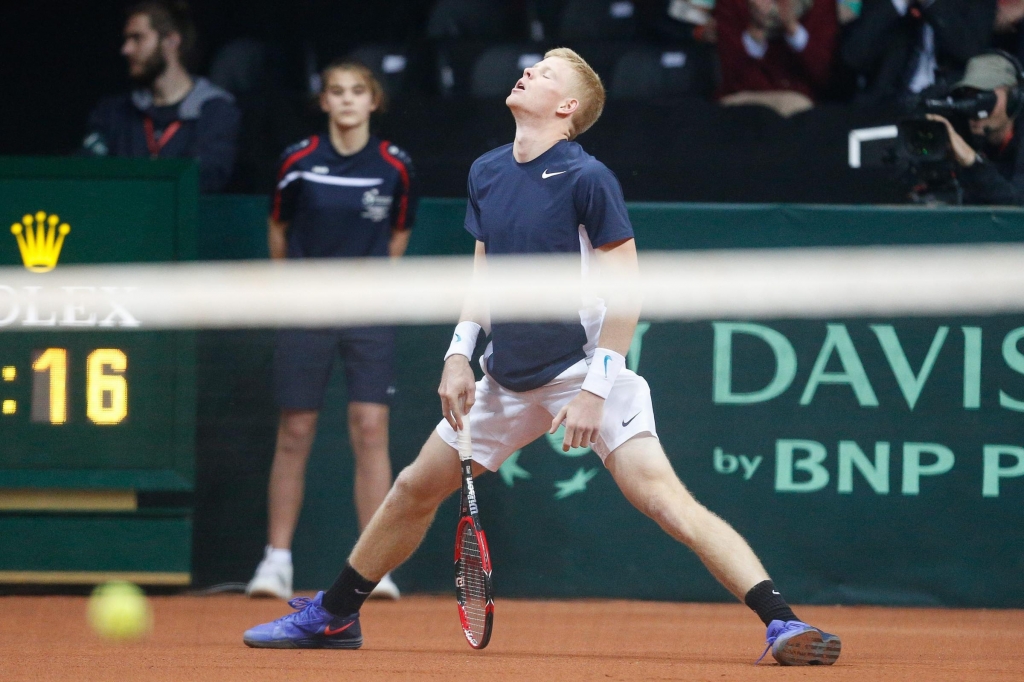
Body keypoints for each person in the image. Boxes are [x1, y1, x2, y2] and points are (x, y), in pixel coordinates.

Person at [241, 47, 841, 666]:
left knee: (664, 499)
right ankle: (336, 616)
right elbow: (484, 281)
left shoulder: (588, 178)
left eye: (547, 73)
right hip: (504, 380)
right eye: (532, 67)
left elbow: (626, 293)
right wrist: (457, 355)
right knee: (413, 488)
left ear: (567, 107)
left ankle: (782, 624)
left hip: (585, 369)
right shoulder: (487, 171)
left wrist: (595, 388)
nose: (528, 72)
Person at [245, 60, 417, 601]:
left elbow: (398, 233)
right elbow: (279, 226)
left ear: (373, 102)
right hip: (306, 309)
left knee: (370, 429)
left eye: (357, 92)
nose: (346, 100)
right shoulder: (297, 161)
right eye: (336, 92)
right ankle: (276, 562)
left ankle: (374, 566)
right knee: (295, 431)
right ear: (324, 103)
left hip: (368, 311)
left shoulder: (396, 166)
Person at [82, 1, 240, 193]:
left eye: (137, 38)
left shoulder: (215, 111)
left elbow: (208, 176)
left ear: (171, 41)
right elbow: (85, 171)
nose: (126, 49)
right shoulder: (113, 112)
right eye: (126, 40)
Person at [840, 0, 997, 107]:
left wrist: (931, 3)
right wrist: (897, 4)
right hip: (886, 106)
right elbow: (854, 56)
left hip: (950, 102)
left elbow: (971, 52)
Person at [927, 50, 1024, 205]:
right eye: (967, 97)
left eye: (984, 98)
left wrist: (973, 162)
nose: (975, 108)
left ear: (1014, 98)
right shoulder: (960, 130)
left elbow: (1016, 212)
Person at [715, 0, 838, 116]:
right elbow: (730, 76)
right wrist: (756, 29)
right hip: (745, 97)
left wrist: (792, 28)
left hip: (800, 101)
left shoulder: (821, 4)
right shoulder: (733, 3)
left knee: (798, 107)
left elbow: (825, 75)